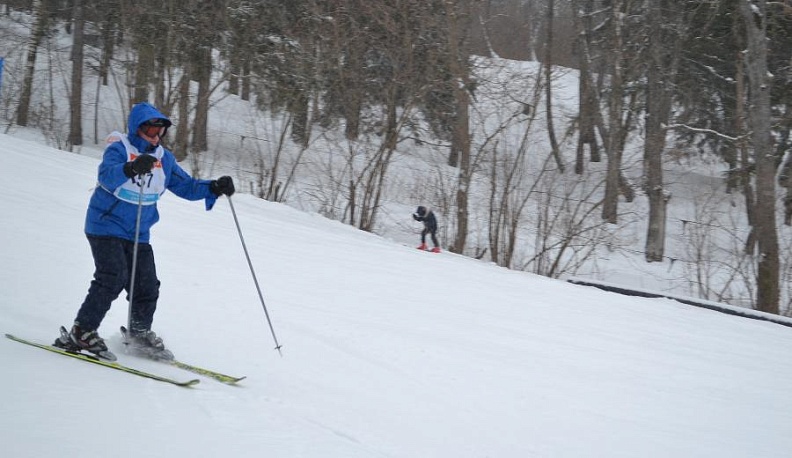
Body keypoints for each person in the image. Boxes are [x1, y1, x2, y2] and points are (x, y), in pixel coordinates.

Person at [54, 102, 236, 361]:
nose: (155, 134)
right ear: (137, 128)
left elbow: (186, 186)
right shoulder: (120, 149)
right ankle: (82, 331)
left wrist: (214, 187)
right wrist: (130, 168)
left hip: (138, 231)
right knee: (112, 276)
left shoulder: (164, 159)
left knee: (147, 284)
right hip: (105, 224)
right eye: (150, 127)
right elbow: (106, 176)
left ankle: (138, 333)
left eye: (160, 129)